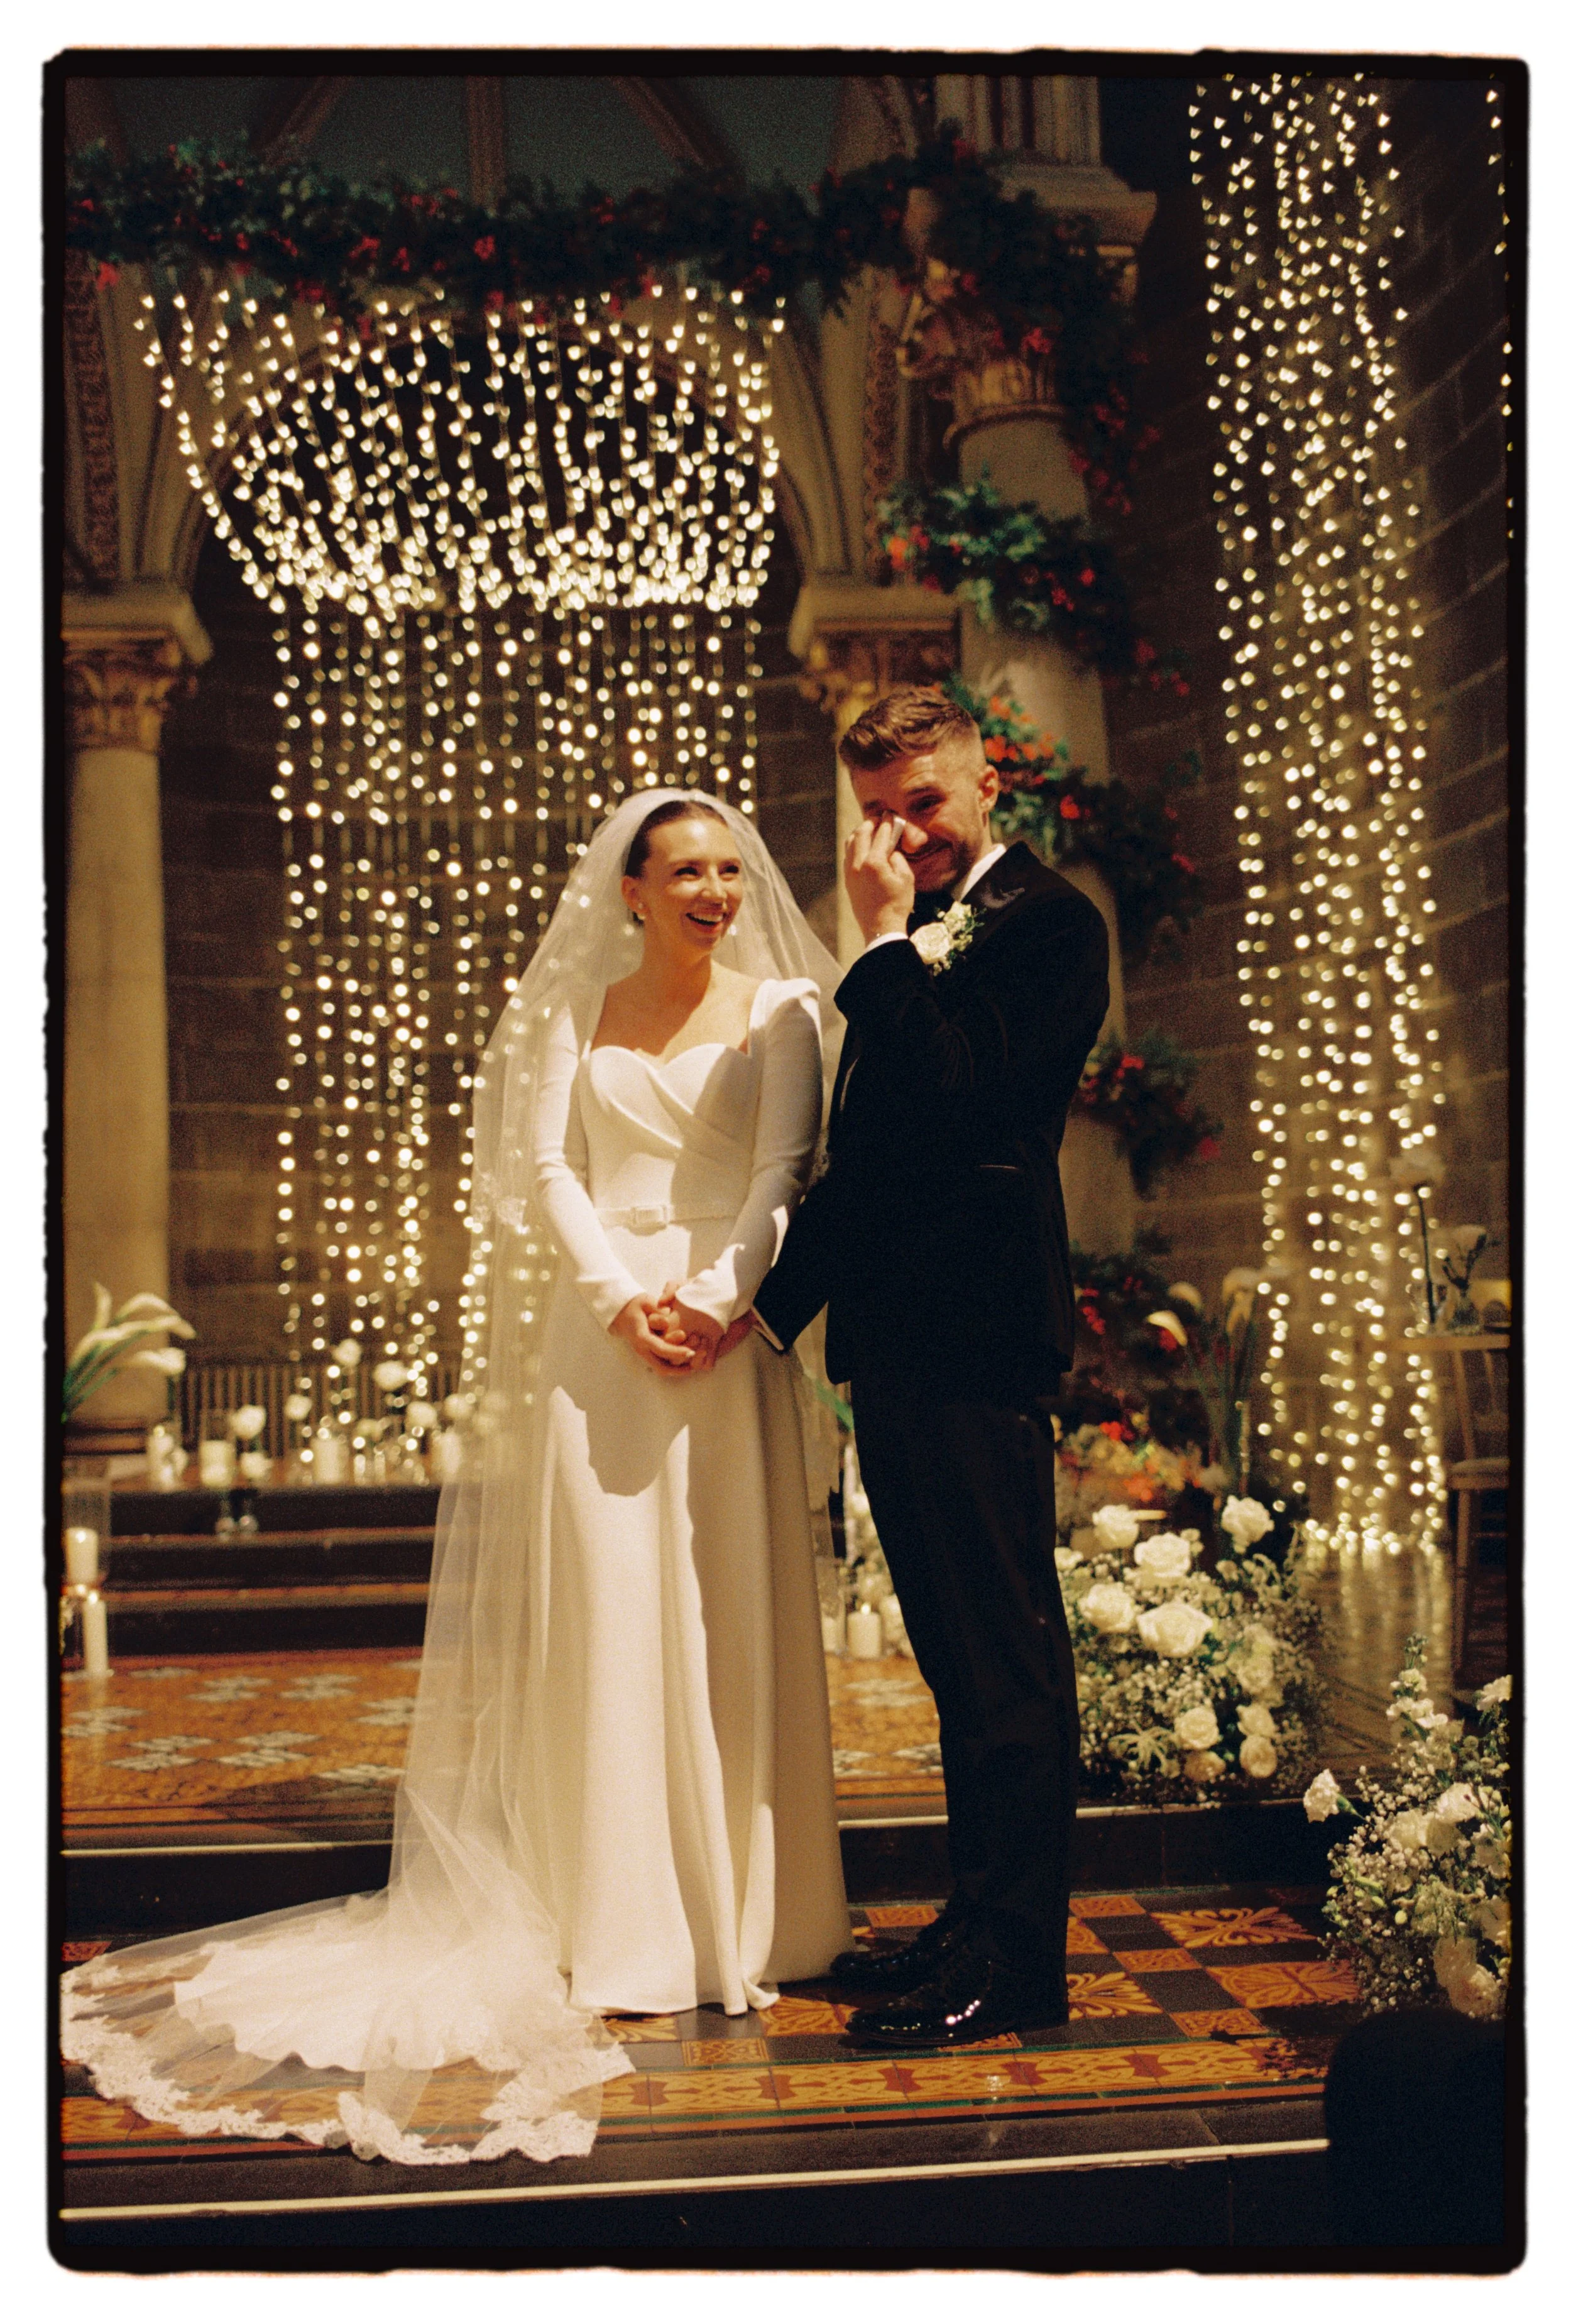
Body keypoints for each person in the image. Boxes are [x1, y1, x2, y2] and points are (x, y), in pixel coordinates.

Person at [62, 791, 851, 2165]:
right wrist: (618, 1298)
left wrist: (722, 1297)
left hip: (729, 1338)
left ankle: (756, 1912)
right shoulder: (573, 1014)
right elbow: (543, 1165)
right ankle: (612, 1915)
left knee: (731, 1611)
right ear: (633, 889)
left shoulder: (784, 1006)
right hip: (603, 1345)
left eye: (729, 868)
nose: (714, 890)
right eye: (686, 872)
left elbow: (787, 1165)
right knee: (606, 1620)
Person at [748, 685, 1110, 2049]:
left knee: (1007, 1666)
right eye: (878, 813)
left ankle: (1017, 1967)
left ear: (984, 782)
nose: (903, 835)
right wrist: (767, 1310)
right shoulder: (913, 944)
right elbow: (878, 1159)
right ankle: (972, 1917)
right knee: (958, 1667)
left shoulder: (1052, 926)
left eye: (924, 804)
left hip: (978, 1339)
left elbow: (971, 1101)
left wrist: (883, 941)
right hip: (895, 1348)